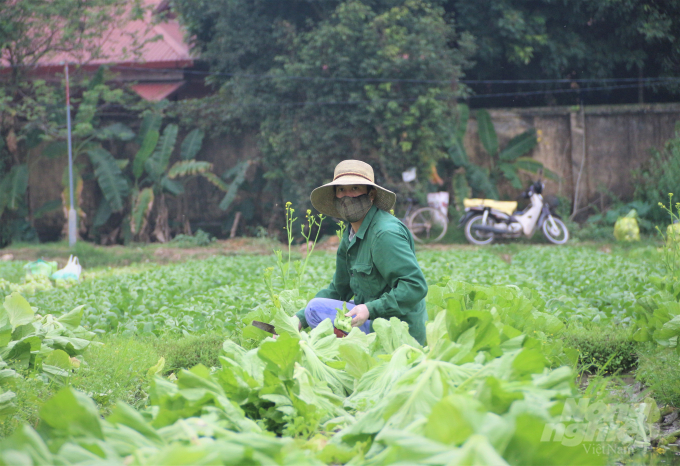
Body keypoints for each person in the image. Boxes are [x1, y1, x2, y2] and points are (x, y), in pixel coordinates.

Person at [295, 159, 428, 345]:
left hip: (399, 332)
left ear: (371, 194)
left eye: (355, 188)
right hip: (372, 321)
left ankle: (352, 357)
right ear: (335, 196)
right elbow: (339, 289)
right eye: (341, 190)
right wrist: (297, 320)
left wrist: (369, 309)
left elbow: (415, 286)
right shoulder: (351, 234)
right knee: (310, 311)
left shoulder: (384, 233)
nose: (347, 196)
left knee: (315, 310)